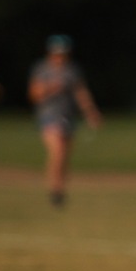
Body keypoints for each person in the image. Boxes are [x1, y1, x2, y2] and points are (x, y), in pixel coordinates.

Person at [27, 35, 100, 206]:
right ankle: (55, 190)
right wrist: (51, 87)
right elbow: (34, 95)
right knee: (57, 151)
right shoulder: (42, 69)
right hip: (48, 116)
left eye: (63, 53)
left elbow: (80, 92)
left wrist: (90, 112)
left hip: (68, 116)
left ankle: (60, 189)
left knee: (64, 156)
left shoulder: (72, 70)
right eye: (57, 53)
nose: (60, 57)